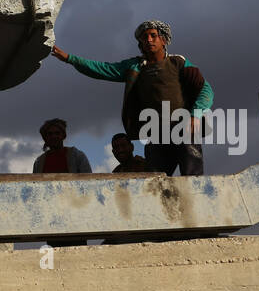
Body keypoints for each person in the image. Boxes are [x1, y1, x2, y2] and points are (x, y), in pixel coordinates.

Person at [51, 19, 213, 176]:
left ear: (163, 40)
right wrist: (70, 59)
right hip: (157, 132)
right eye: (144, 37)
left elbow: (205, 90)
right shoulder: (134, 67)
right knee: (154, 181)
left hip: (182, 126)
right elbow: (103, 69)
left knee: (192, 176)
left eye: (153, 35)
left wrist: (194, 115)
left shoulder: (178, 62)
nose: (149, 40)